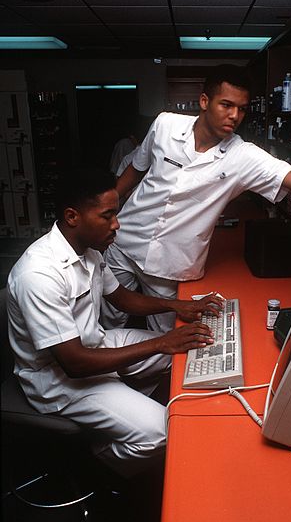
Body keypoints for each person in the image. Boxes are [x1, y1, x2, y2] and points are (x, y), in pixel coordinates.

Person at [102, 64, 291, 333]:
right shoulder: (165, 124)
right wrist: (107, 213)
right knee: (107, 321)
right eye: (226, 105)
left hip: (170, 266)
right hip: (124, 241)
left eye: (242, 109)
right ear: (204, 102)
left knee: (167, 340)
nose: (234, 116)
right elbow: (135, 169)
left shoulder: (241, 155)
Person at [7, 167, 222, 479]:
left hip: (96, 346)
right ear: (72, 217)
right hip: (59, 381)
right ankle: (95, 460)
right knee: (163, 431)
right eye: (107, 216)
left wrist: (178, 306)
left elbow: (122, 298)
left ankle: (125, 412)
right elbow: (75, 364)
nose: (116, 224)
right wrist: (160, 342)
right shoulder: (38, 274)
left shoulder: (89, 249)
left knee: (188, 350)